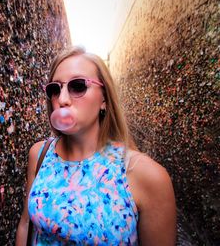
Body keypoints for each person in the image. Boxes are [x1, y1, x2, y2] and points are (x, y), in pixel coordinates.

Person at [16, 46, 176, 245]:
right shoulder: (39, 154)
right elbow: (25, 224)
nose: (62, 99)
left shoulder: (148, 176)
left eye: (78, 86)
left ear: (104, 99)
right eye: (55, 89)